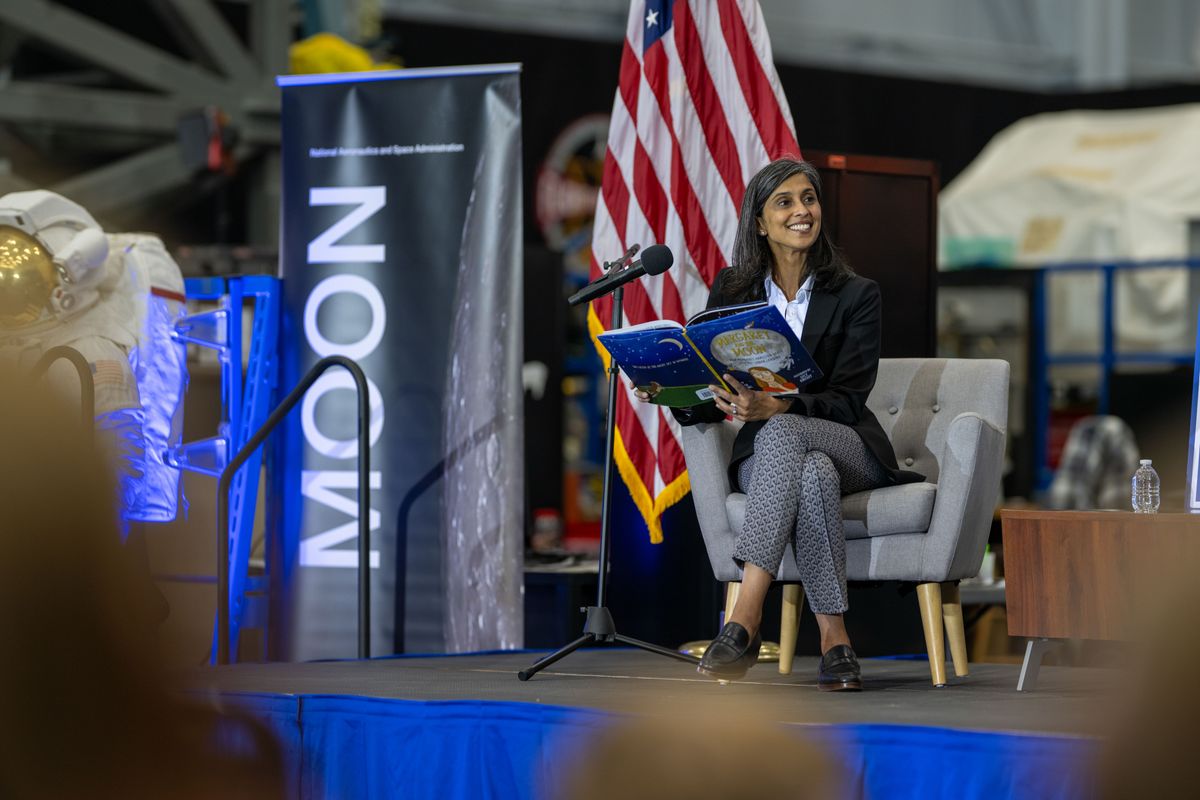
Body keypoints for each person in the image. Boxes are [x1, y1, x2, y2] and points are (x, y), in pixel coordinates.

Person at [636, 157, 922, 691]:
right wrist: (667, 388)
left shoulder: (858, 294)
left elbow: (848, 398)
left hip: (850, 444)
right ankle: (836, 641)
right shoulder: (733, 291)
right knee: (810, 473)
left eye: (808, 199)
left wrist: (779, 409)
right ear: (760, 222)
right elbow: (710, 388)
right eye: (785, 202)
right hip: (774, 457)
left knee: (789, 433)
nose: (801, 211)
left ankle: (744, 616)